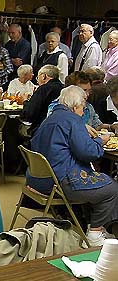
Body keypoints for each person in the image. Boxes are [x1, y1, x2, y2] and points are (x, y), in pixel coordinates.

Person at [28, 85, 118, 246]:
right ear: (75, 106)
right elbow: (89, 153)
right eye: (83, 107)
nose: (83, 112)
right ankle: (95, 233)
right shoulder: (73, 120)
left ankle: (95, 225)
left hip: (37, 179)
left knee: (101, 180)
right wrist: (99, 141)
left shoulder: (51, 118)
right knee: (112, 188)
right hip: (59, 182)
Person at [19, 65, 63, 135]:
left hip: (42, 130)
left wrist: (25, 101)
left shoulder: (43, 89)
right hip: (60, 130)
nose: (37, 81)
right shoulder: (64, 89)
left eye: (37, 77)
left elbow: (29, 115)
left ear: (43, 76)